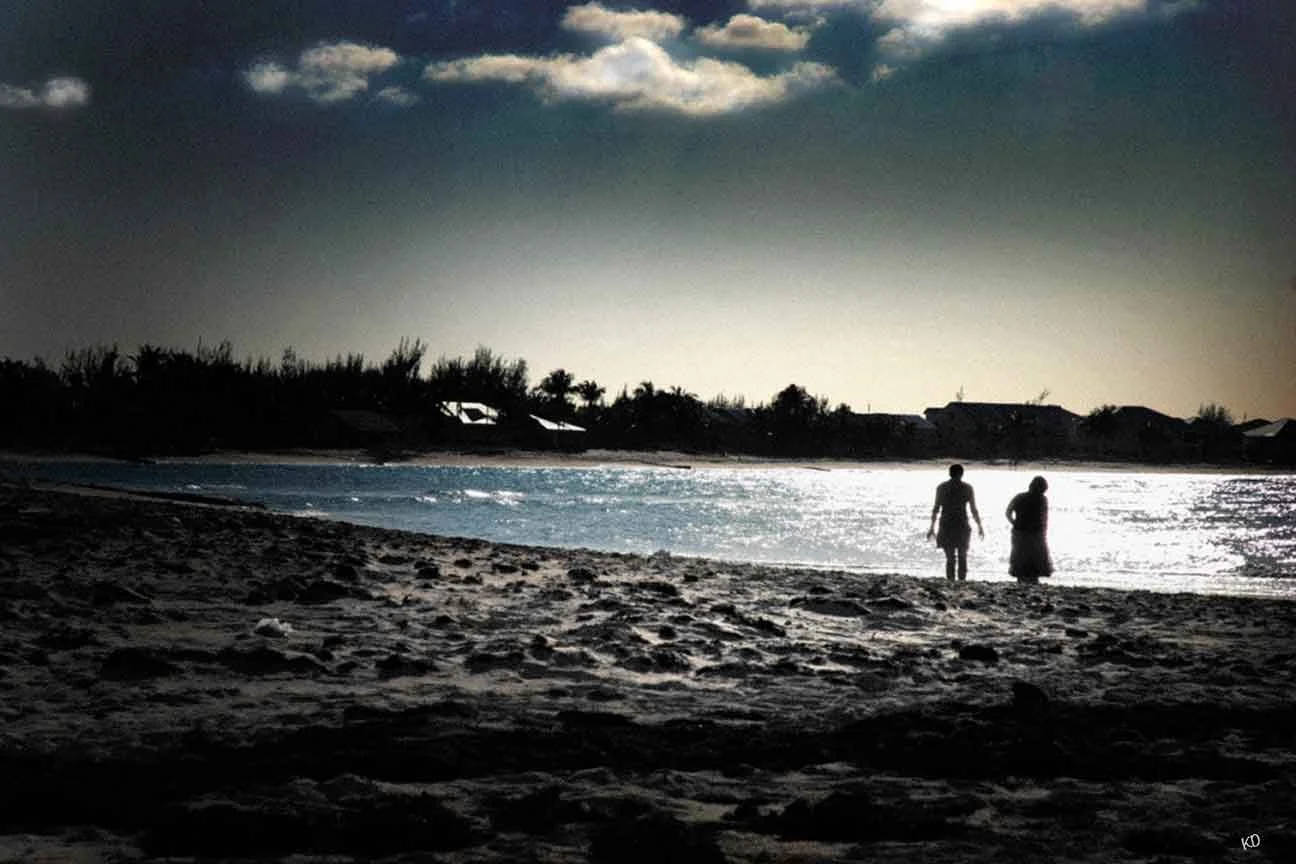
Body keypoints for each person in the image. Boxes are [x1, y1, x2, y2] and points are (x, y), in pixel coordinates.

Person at [927, 464, 984, 580]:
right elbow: (973, 509)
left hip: (946, 523)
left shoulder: (942, 488)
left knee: (950, 557)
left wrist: (932, 527)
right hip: (961, 523)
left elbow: (936, 508)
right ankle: (961, 581)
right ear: (962, 474)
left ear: (950, 473)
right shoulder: (967, 488)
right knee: (963, 555)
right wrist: (979, 525)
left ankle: (951, 581)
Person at [1006, 475, 1053, 583]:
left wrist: (1014, 523)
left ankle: (1021, 579)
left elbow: (1008, 512)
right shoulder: (1042, 499)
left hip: (1020, 531)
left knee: (1020, 556)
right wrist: (1044, 532)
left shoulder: (1020, 497)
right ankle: (1032, 580)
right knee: (1034, 558)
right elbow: (1044, 517)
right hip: (1035, 532)